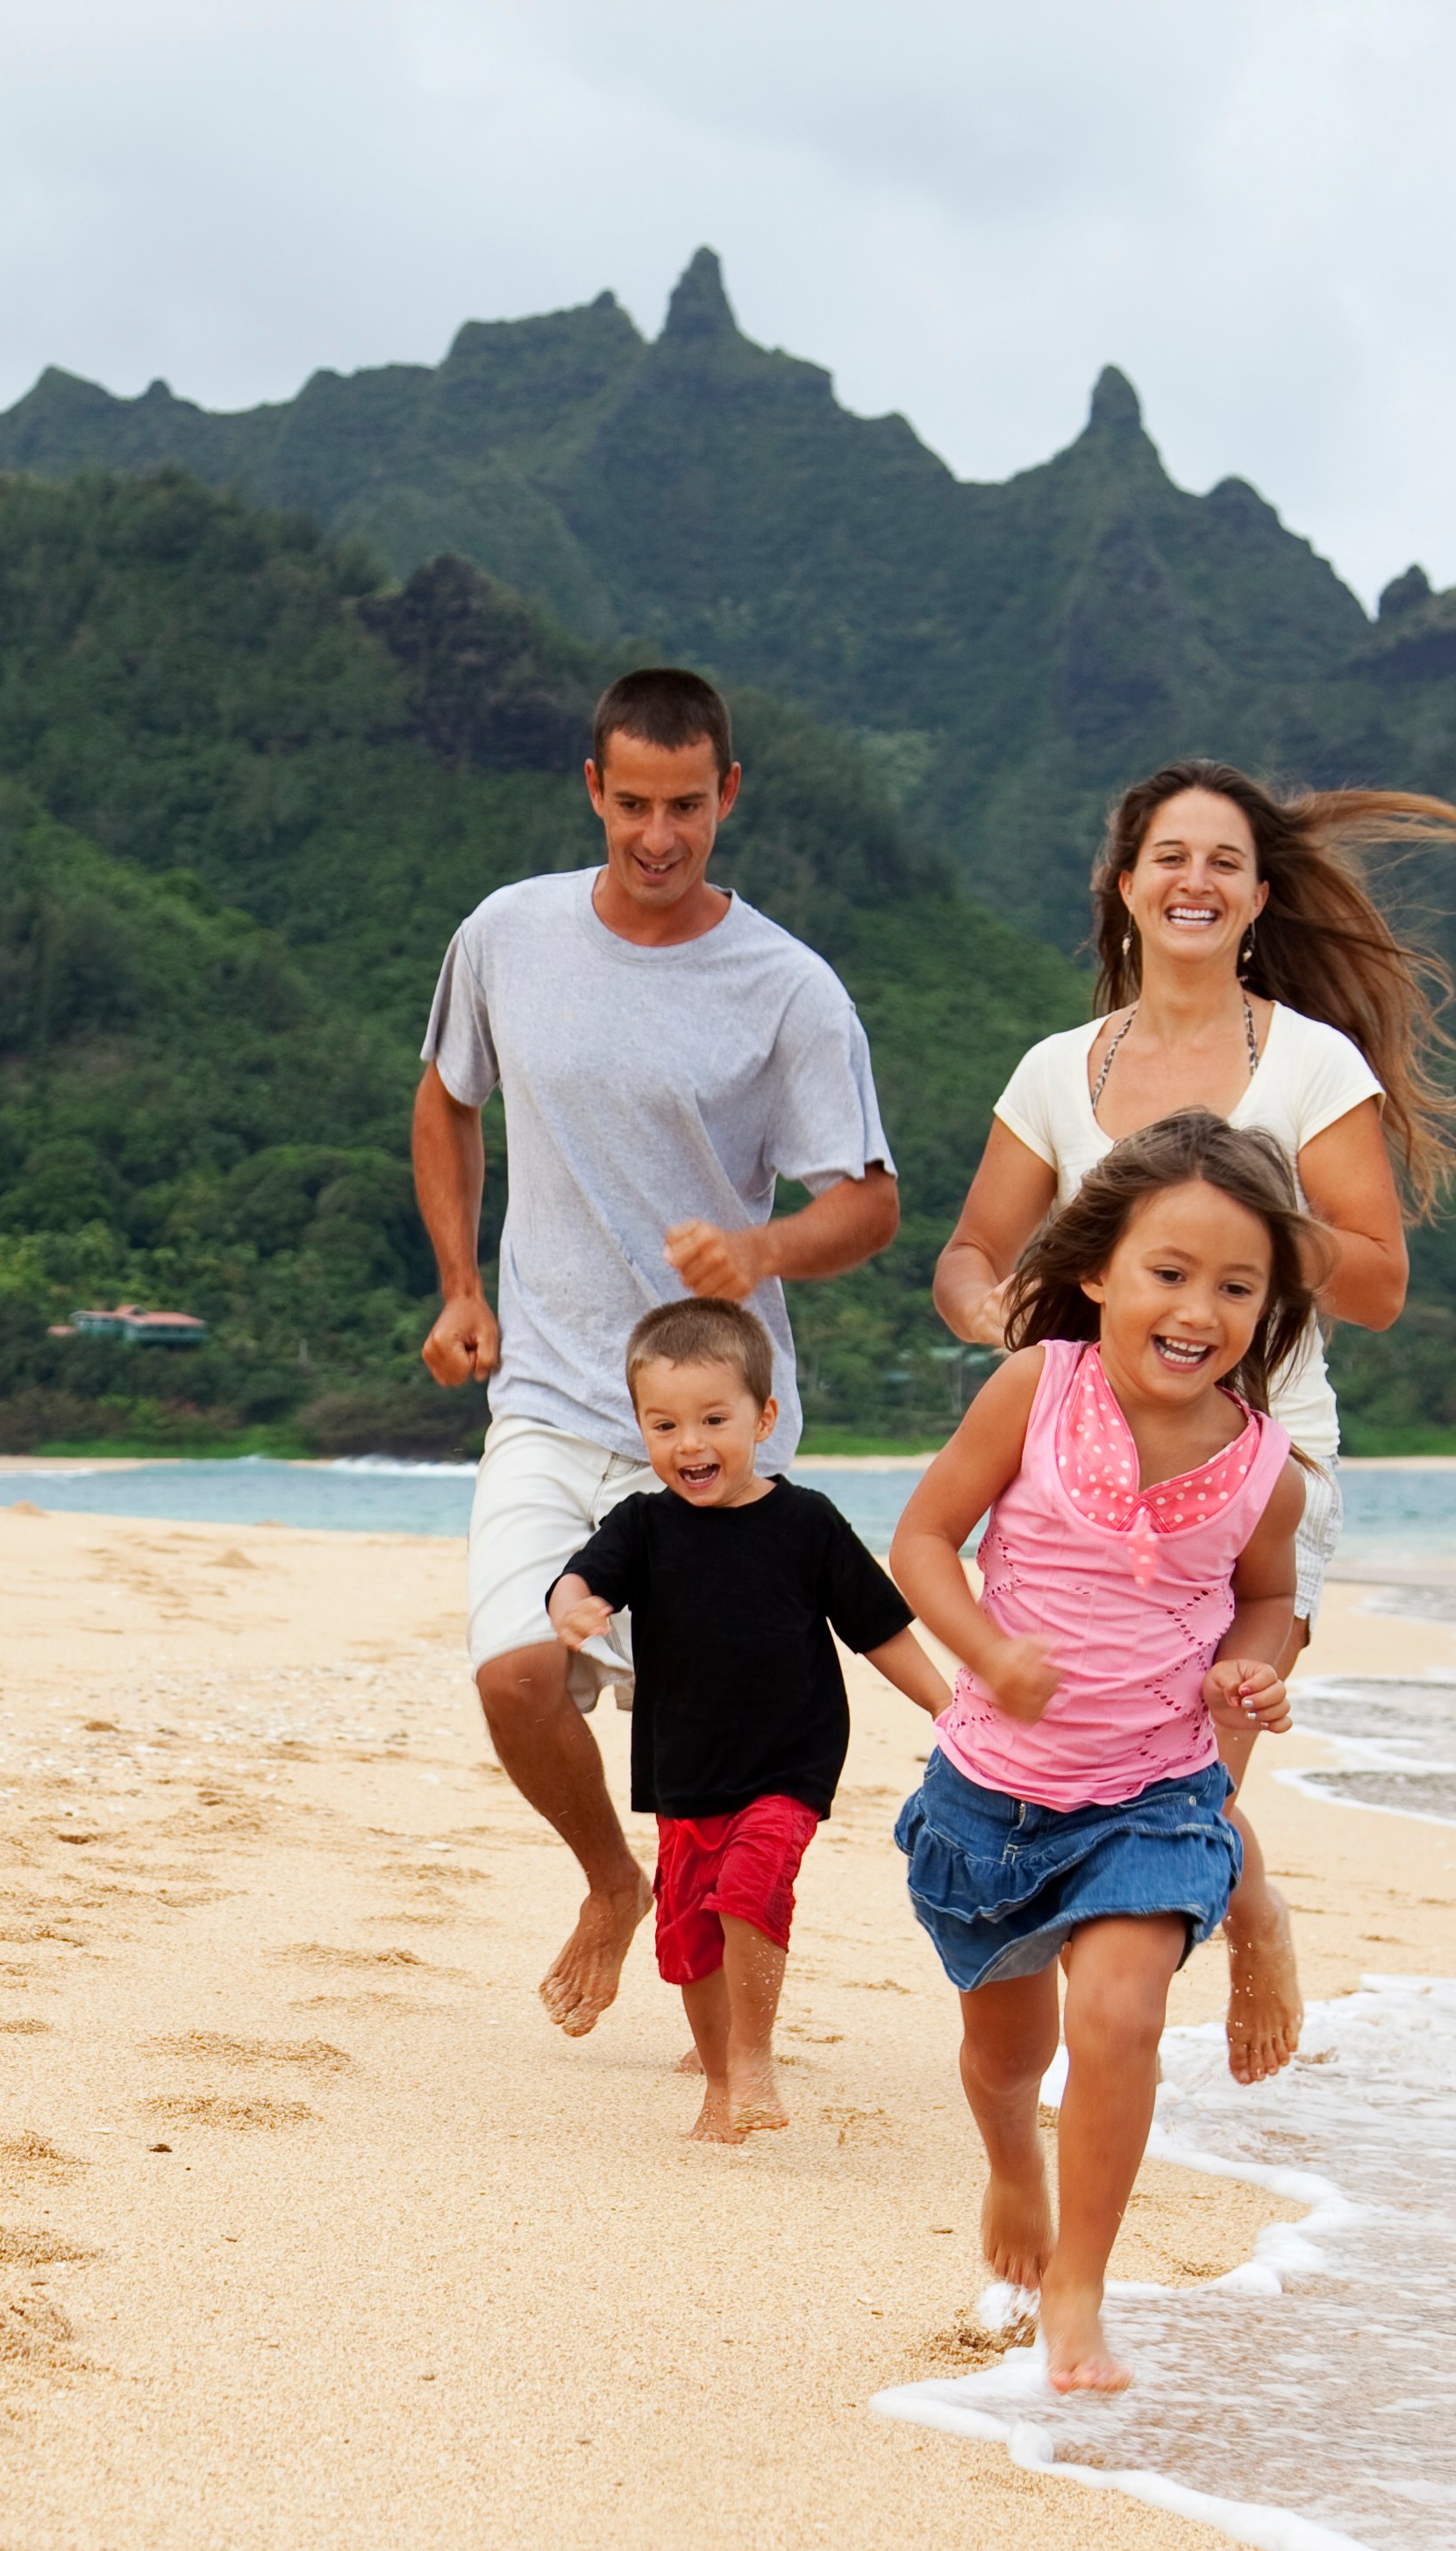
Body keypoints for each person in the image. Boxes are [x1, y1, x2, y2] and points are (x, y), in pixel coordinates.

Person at [924, 762, 1456, 2087]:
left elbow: (1382, 1280)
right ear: (1124, 887)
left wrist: (1215, 1218)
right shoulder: (1058, 1071)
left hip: (1259, 1460)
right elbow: (972, 1248)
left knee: (1185, 1768)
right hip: (1078, 1471)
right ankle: (1199, 1929)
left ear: (1258, 897)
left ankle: (1182, 1970)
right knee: (1087, 1747)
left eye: (1224, 862)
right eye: (1168, 856)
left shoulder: (1309, 1064)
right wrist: (992, 1310)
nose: (1195, 880)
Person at [416, 667, 901, 2040]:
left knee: (725, 1773)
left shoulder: (787, 989)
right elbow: (447, 1102)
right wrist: (461, 1283)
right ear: (593, 790)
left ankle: (732, 2058)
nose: (658, 836)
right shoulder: (508, 935)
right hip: (555, 1402)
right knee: (517, 1670)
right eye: (632, 804)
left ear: (728, 793)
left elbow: (868, 1204)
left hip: (716, 1428)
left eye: (686, 806)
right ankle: (609, 1886)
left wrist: (762, 1253)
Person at [889, 1114, 1312, 2395]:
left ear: (1269, 1306)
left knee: (1121, 2014)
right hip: (993, 1801)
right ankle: (1014, 2160)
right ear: (1097, 1275)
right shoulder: (1034, 1388)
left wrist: (1259, 1661)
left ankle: (1081, 2283)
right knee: (1002, 2059)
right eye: (1168, 1273)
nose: (1199, 1310)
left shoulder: (1265, 1471)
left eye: (1237, 1287)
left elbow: (1268, 1597)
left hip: (1153, 1794)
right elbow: (919, 1545)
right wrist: (990, 1651)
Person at [546, 1297, 951, 2143]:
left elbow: (879, 1629)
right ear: (642, 1430)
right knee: (690, 1940)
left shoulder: (807, 1525)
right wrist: (574, 1606)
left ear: (764, 1418)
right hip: (687, 1773)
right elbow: (581, 1579)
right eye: (664, 1425)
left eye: (713, 1419)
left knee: (751, 1887)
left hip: (788, 1763)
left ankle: (756, 2054)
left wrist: (952, 1710)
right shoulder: (643, 1526)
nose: (689, 1444)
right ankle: (721, 2087)